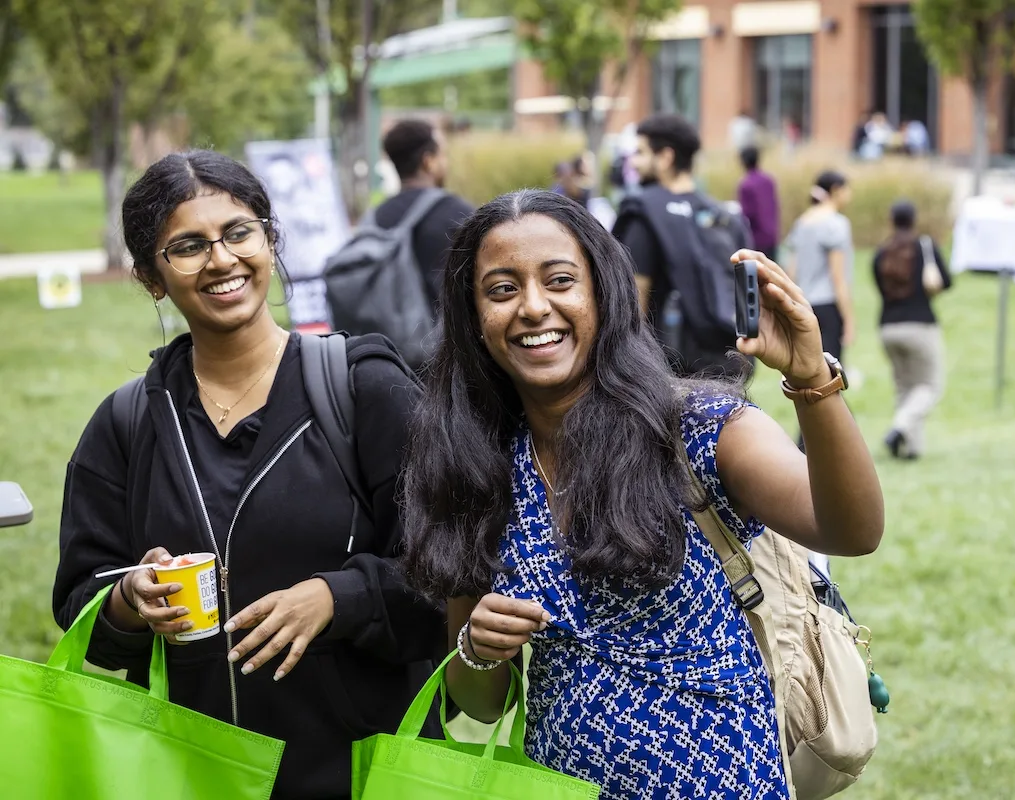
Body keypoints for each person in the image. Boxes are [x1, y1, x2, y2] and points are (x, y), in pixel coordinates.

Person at [401, 189, 885, 800]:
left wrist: (813, 382)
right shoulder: (480, 465)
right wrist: (478, 648)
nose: (532, 307)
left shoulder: (696, 428)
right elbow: (480, 702)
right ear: (473, 318)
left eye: (559, 281)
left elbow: (852, 531)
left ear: (603, 294)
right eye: (501, 290)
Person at [52, 150, 446, 800]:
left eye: (238, 232)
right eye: (187, 246)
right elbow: (81, 606)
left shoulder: (364, 391)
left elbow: (447, 576)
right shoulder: (126, 425)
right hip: (191, 773)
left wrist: (338, 598)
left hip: (359, 772)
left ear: (270, 239)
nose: (221, 260)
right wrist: (130, 598)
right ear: (153, 277)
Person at [613, 113, 751, 378]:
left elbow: (633, 300)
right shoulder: (725, 216)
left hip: (669, 370)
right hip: (730, 362)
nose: (634, 161)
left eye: (640, 152)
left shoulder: (644, 212)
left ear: (665, 157)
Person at [872, 201, 952, 459]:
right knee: (930, 386)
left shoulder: (881, 253)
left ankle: (911, 449)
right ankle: (899, 428)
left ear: (891, 220)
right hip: (920, 326)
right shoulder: (924, 247)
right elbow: (946, 281)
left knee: (905, 388)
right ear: (914, 220)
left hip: (887, 328)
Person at [372, 118, 474, 309]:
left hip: (386, 336)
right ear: (428, 162)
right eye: (443, 155)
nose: (447, 163)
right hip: (441, 336)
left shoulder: (376, 217)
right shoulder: (458, 213)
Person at [787, 170, 856, 363]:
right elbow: (838, 276)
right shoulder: (837, 224)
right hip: (828, 306)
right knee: (831, 374)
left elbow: (791, 271)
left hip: (805, 305)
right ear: (836, 190)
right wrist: (849, 319)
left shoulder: (801, 223)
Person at [737, 146, 780, 261]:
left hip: (756, 239)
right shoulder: (769, 180)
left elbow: (747, 214)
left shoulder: (746, 184)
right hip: (772, 236)